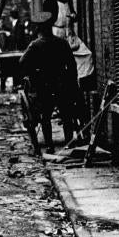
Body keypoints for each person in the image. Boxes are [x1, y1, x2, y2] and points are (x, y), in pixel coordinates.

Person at [19, 12, 79, 152]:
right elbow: (72, 65)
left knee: (45, 116)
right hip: (61, 83)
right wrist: (70, 81)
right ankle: (69, 143)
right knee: (66, 114)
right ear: (50, 27)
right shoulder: (61, 43)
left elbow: (22, 62)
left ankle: (50, 146)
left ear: (39, 29)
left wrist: (33, 73)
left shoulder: (35, 45)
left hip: (43, 85)